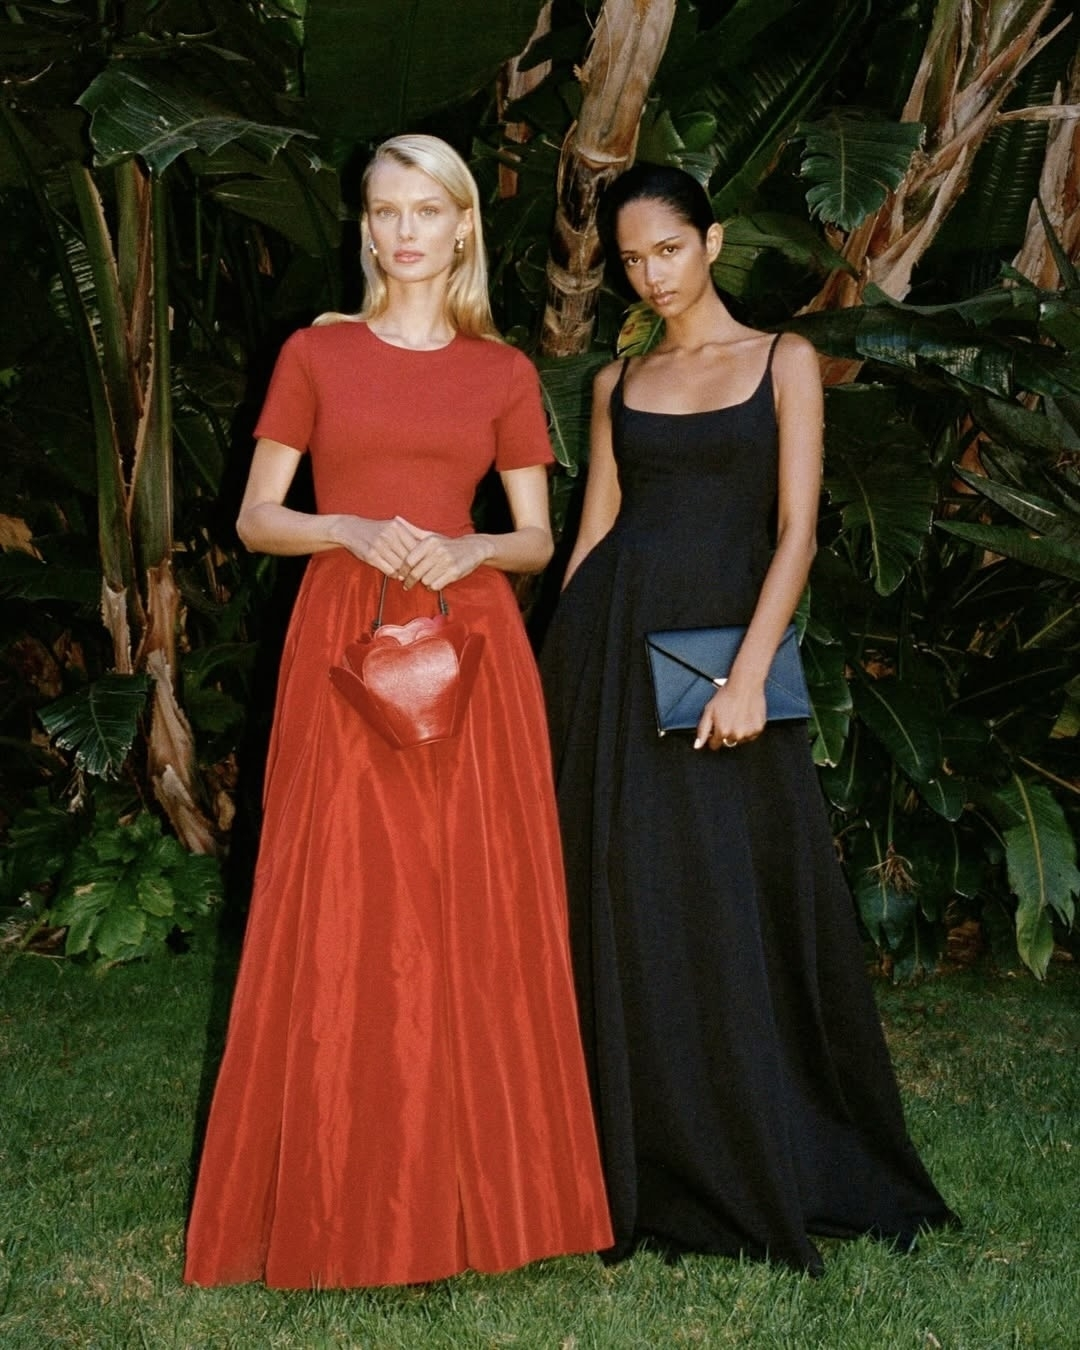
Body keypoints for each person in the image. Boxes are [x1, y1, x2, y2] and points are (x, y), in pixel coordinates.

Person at [184, 133, 611, 1289]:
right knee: (342, 900)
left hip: (472, 646)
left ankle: (487, 1200)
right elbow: (257, 518)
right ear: (365, 228)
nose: (405, 231)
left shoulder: (502, 372)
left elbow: (536, 539)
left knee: (470, 903)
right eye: (385, 211)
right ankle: (340, 1188)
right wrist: (349, 528)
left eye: (427, 210)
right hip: (343, 637)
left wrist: (468, 547)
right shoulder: (316, 354)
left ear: (464, 226)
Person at [540, 162, 955, 1275]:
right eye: (632, 259)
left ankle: (757, 1144)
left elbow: (797, 531)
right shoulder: (616, 382)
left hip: (724, 667)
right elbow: (593, 536)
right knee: (627, 905)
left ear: (713, 242)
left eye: (668, 249)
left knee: (733, 899)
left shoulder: (784, 359)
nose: (651, 275)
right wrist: (555, 682)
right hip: (609, 661)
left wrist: (749, 676)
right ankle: (633, 1158)